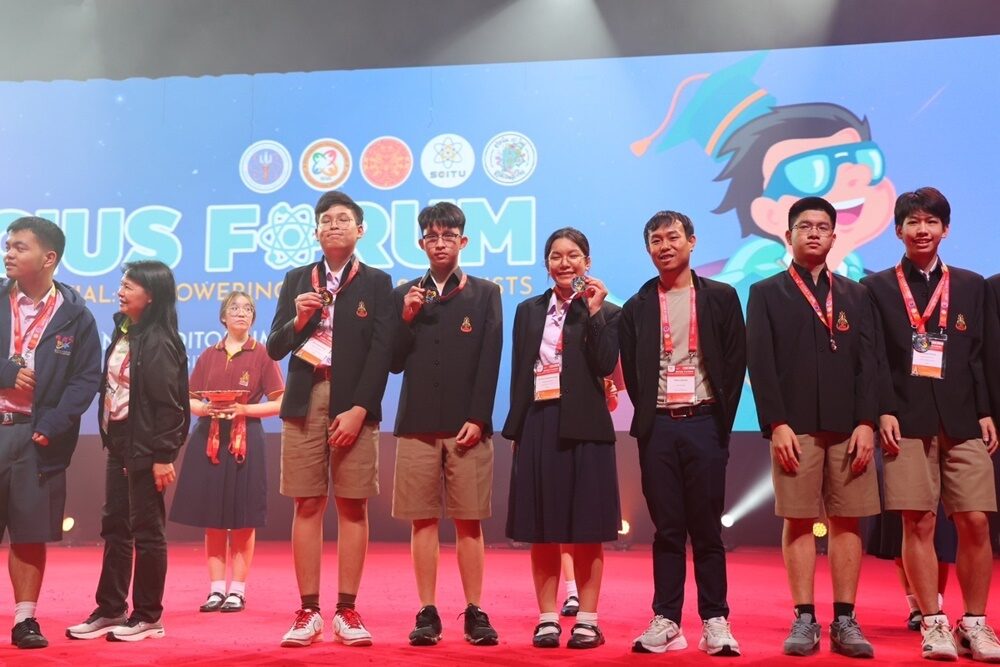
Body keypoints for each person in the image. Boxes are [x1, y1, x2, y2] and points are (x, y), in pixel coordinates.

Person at [863, 187, 1000, 662]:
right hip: (905, 420)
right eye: (913, 222)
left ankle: (976, 623)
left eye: (931, 222)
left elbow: (981, 355)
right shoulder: (875, 287)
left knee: (976, 520)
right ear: (898, 230)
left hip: (963, 418)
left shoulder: (972, 285)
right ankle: (933, 620)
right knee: (917, 520)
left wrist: (986, 410)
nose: (922, 230)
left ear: (945, 229)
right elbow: (874, 357)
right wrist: (882, 409)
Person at [747, 196, 880, 658]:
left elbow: (869, 364)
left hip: (849, 428)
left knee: (847, 519)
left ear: (834, 236)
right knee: (799, 519)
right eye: (805, 226)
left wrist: (867, 423)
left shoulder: (856, 295)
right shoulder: (766, 292)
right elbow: (761, 363)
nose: (814, 233)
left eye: (823, 227)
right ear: (788, 235)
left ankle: (845, 618)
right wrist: (776, 423)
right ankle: (804, 617)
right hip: (795, 426)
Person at [267, 190, 393, 648]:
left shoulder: (377, 282)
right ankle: (308, 611)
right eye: (326, 220)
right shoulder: (297, 278)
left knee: (353, 505)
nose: (334, 225)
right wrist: (299, 321)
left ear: (360, 229)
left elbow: (382, 351)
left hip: (352, 402)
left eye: (343, 219)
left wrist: (360, 409)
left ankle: (347, 609)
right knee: (307, 504)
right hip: (304, 398)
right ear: (316, 231)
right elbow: (275, 347)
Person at [619, 210, 745, 656]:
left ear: (692, 241)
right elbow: (634, 372)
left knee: (707, 529)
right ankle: (667, 620)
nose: (665, 246)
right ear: (648, 249)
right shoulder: (636, 306)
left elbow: (735, 362)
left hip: (704, 423)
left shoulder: (721, 297)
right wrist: (652, 416)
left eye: (673, 237)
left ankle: (715, 620)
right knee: (667, 529)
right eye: (656, 240)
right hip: (658, 429)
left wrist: (718, 421)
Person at [389, 202, 502, 646]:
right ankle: (427, 610)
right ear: (421, 243)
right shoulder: (404, 294)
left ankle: (475, 610)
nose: (440, 243)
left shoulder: (485, 293)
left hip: (466, 428)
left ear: (463, 241)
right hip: (416, 424)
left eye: (448, 236)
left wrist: (479, 417)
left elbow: (490, 360)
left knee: (469, 521)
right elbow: (393, 362)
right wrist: (405, 318)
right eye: (432, 237)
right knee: (422, 521)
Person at [503, 227, 621, 650]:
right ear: (546, 263)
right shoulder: (528, 310)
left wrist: (594, 312)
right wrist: (517, 428)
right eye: (556, 256)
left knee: (587, 528)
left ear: (587, 262)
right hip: (539, 422)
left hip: (587, 426)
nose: (564, 262)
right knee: (542, 529)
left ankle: (587, 619)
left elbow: (605, 363)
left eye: (573, 255)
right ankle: (548, 618)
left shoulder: (607, 310)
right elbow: (520, 370)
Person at [67, 260, 190, 642]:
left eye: (129, 286)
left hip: (148, 448)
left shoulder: (160, 340)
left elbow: (170, 406)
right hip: (119, 441)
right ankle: (110, 609)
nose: (120, 291)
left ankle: (148, 616)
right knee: (115, 526)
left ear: (150, 295)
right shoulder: (125, 331)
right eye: (121, 284)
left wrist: (164, 456)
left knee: (148, 531)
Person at [0, 217, 101, 649]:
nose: (8, 253)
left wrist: (54, 423)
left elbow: (86, 379)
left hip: (36, 438)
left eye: (19, 247)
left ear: (49, 258)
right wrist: (6, 372)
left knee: (29, 533)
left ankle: (25, 620)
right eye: (7, 245)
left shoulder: (76, 316)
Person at [169, 291, 284, 612]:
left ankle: (238, 589)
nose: (241, 313)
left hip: (247, 440)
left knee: (244, 518)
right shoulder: (209, 354)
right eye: (234, 308)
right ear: (223, 316)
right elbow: (189, 399)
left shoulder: (263, 353)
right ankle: (216, 588)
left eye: (248, 309)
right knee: (213, 518)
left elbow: (280, 402)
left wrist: (244, 410)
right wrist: (204, 409)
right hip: (210, 439)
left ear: (253, 318)